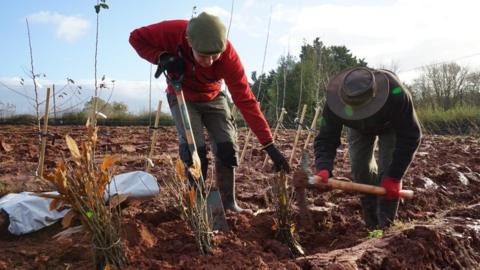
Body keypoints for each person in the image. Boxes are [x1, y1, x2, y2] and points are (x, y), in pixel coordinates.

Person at [129, 12, 290, 213]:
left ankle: (229, 204)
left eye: (215, 55)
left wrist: (269, 146)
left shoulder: (229, 57)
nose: (211, 61)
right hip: (182, 94)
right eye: (204, 56)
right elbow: (135, 37)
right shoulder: (173, 31)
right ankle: (197, 204)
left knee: (226, 146)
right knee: (193, 149)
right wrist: (162, 57)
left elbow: (245, 101)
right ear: (189, 42)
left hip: (213, 96)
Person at [311, 67, 421, 229]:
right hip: (357, 127)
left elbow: (411, 136)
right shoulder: (334, 102)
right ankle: (372, 225)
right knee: (360, 169)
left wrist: (394, 177)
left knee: (388, 170)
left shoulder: (397, 94)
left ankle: (385, 227)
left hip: (391, 126)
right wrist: (323, 167)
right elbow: (326, 137)